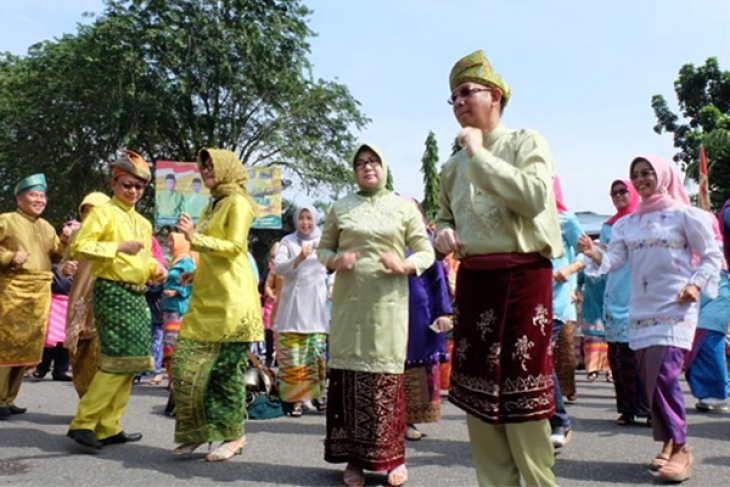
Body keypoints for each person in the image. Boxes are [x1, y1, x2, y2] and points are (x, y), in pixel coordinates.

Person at [434, 50, 562, 487]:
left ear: (496, 96)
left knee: (523, 394)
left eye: (466, 92)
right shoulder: (450, 168)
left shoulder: (526, 141)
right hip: (475, 281)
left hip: (524, 276)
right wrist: (442, 235)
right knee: (477, 395)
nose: (458, 103)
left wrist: (480, 155)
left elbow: (532, 198)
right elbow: (445, 216)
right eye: (451, 97)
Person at [579, 155, 722, 482]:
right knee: (650, 378)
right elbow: (614, 260)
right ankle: (669, 443)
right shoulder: (627, 224)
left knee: (664, 375)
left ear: (662, 176)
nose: (641, 179)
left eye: (647, 173)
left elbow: (712, 254)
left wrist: (695, 285)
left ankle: (682, 447)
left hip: (675, 307)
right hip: (641, 311)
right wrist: (593, 252)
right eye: (636, 174)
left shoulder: (684, 216)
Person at [318, 143, 434, 487]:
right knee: (350, 382)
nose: (367, 167)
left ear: (383, 167)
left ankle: (394, 460)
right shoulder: (341, 207)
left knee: (386, 383)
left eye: (373, 162)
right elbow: (324, 248)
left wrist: (407, 264)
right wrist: (335, 260)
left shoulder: (403, 208)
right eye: (360, 163)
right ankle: (353, 461)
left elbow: (426, 250)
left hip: (388, 308)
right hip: (349, 309)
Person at [67, 150, 167, 450]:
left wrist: (156, 269)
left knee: (132, 363)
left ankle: (109, 425)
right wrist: (118, 246)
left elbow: (145, 259)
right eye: (127, 185)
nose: (133, 191)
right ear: (114, 183)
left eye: (138, 186)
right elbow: (81, 246)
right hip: (112, 291)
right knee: (116, 360)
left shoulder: (143, 222)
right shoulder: (103, 213)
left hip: (139, 296)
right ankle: (84, 423)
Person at [172, 148, 263, 463]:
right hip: (206, 299)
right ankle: (198, 432)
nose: (207, 170)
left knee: (224, 373)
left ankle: (234, 434)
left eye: (212, 165)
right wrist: (196, 272)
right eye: (204, 165)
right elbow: (215, 252)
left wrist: (193, 236)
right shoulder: (213, 204)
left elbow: (235, 247)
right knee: (187, 366)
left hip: (232, 301)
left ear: (227, 167)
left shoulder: (238, 202)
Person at [0, 174, 71, 420]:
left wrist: (64, 242)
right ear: (19, 199)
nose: (39, 200)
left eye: (42, 196)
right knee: (7, 347)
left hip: (40, 293)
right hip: (12, 290)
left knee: (27, 347)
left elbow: (56, 256)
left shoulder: (47, 226)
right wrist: (9, 257)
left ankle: (8, 399)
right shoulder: (6, 221)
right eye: (33, 195)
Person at [402, 199, 452, 442]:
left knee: (417, 365)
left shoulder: (426, 242)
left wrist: (443, 312)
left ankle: (410, 420)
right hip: (393, 314)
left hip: (423, 313)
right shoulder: (390, 240)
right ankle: (397, 421)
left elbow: (439, 281)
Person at [601, 179, 650, 425]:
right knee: (618, 356)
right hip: (614, 294)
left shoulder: (643, 221)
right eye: (614, 192)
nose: (619, 195)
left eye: (623, 191)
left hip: (639, 294)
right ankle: (627, 409)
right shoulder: (608, 227)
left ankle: (650, 410)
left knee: (641, 356)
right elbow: (604, 261)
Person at [273, 205, 329, 417]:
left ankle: (317, 395)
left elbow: (331, 267)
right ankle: (295, 400)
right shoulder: (288, 241)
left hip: (316, 306)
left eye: (309, 218)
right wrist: (298, 259)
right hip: (294, 307)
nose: (305, 222)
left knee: (316, 355)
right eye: (301, 218)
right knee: (295, 356)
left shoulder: (324, 241)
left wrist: (332, 284)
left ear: (315, 220)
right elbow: (278, 268)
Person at [64, 192, 111, 398]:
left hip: (107, 297)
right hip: (80, 298)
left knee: (103, 352)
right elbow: (64, 262)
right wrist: (66, 267)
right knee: (79, 351)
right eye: (86, 211)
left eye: (96, 212)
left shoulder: (115, 234)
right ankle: (86, 400)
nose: (90, 216)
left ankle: (99, 406)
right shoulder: (76, 235)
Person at [549, 176, 584, 449]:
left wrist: (568, 272)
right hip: (526, 299)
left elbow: (586, 253)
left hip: (556, 302)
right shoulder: (523, 217)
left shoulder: (566, 219)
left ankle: (560, 420)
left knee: (540, 358)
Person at [685, 218, 730, 413]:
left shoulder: (719, 248)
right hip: (697, 302)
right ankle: (705, 395)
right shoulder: (689, 250)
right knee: (696, 348)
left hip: (719, 300)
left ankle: (720, 395)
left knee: (710, 344)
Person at [161, 232, 196, 416]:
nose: (170, 244)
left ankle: (177, 381)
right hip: (167, 308)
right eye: (169, 242)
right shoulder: (172, 262)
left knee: (171, 345)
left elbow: (191, 284)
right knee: (168, 346)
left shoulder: (187, 262)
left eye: (173, 241)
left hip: (179, 308)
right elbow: (165, 282)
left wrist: (176, 293)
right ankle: (172, 380)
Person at [34, 247, 79, 382]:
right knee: (49, 340)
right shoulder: (55, 265)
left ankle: (60, 370)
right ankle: (42, 368)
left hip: (71, 305)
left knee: (66, 340)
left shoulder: (82, 266)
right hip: (54, 302)